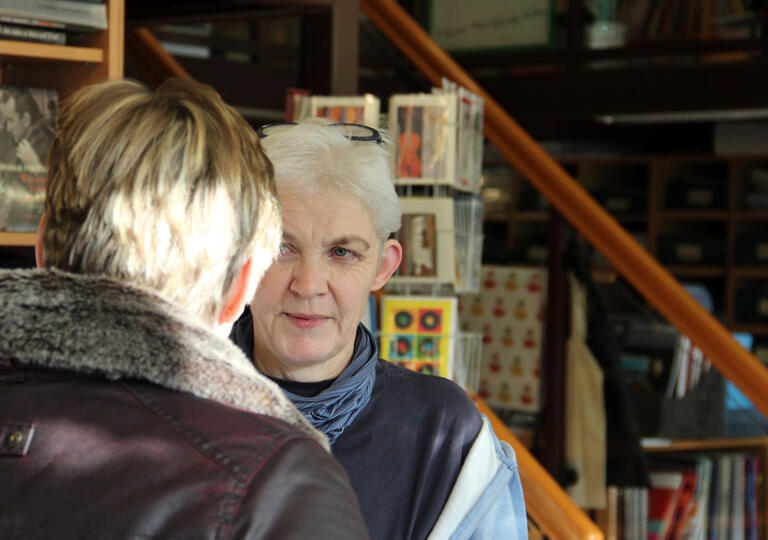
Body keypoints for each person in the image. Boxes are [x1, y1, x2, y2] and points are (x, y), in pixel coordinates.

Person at [0, 79, 369, 539]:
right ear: (241, 286)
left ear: (40, 247)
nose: (309, 284)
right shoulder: (278, 483)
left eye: (342, 252)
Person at [230, 121, 528, 539]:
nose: (309, 284)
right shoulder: (175, 409)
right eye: (282, 247)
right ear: (239, 250)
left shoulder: (444, 435)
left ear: (383, 266)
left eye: (342, 252)